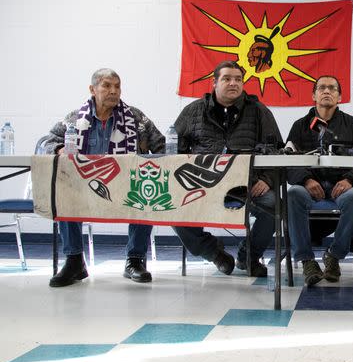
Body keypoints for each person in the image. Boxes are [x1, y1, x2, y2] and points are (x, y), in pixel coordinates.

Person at [43, 68, 165, 287]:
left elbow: (163, 145)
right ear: (92, 89)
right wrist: (60, 147)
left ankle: (134, 261)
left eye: (117, 86)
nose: (113, 91)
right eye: (107, 86)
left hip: (126, 185)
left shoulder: (135, 118)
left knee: (147, 192)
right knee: (64, 193)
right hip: (84, 186)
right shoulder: (74, 119)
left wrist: (149, 159)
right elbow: (46, 141)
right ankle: (74, 261)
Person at [172, 60, 282, 278]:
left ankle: (247, 257)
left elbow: (277, 151)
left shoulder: (259, 111)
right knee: (173, 206)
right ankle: (214, 253)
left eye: (238, 79)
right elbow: (175, 151)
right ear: (214, 83)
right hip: (203, 185)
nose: (234, 83)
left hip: (247, 186)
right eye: (227, 79)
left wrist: (268, 180)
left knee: (274, 205)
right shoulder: (193, 112)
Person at [286, 75, 353, 286]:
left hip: (342, 186)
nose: (327, 91)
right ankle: (307, 261)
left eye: (332, 88)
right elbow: (287, 160)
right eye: (321, 88)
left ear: (339, 96)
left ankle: (334, 256)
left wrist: (350, 179)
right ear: (314, 95)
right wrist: (305, 180)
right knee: (293, 194)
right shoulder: (300, 126)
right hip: (309, 186)